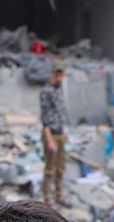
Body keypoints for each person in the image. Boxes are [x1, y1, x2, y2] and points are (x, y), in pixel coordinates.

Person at [39, 64, 69, 206]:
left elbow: (60, 113)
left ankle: (59, 195)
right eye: (56, 75)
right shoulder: (46, 91)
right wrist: (49, 138)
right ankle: (47, 197)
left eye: (61, 75)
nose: (59, 78)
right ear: (52, 74)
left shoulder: (59, 90)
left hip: (60, 132)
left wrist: (63, 131)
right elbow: (45, 117)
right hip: (51, 134)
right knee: (50, 169)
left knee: (61, 167)